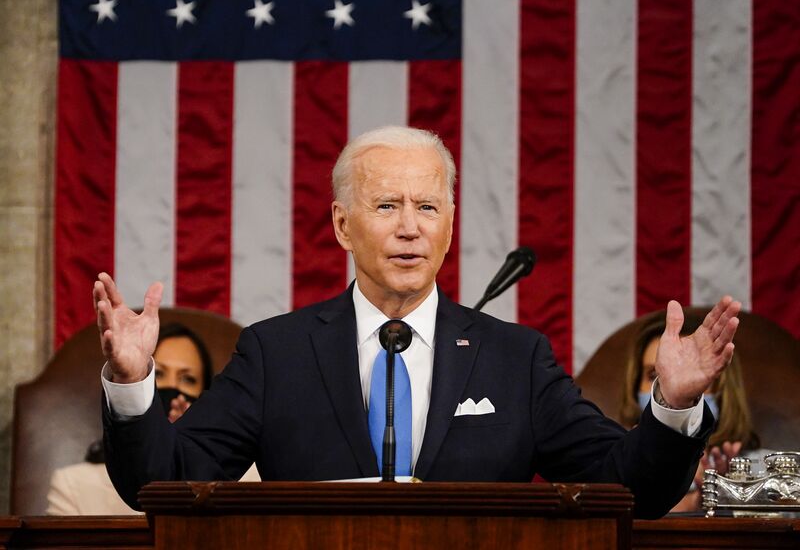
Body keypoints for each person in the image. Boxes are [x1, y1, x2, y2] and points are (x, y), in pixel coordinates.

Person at [95, 125, 741, 519]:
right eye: (385, 205)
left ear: (450, 224)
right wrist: (131, 382)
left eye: (428, 206)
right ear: (343, 225)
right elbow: (167, 484)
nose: (410, 227)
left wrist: (674, 406)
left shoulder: (515, 359)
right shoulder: (276, 353)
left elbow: (628, 490)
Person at [46, 324, 257, 515]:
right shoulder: (74, 485)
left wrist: (190, 450)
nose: (174, 390)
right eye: (159, 375)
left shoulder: (246, 481)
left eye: (188, 379)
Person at [620, 312, 760, 512]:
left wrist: (734, 494)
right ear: (634, 387)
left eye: (688, 373)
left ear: (723, 388)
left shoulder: (765, 466)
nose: (670, 387)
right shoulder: (617, 463)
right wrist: (695, 502)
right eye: (653, 376)